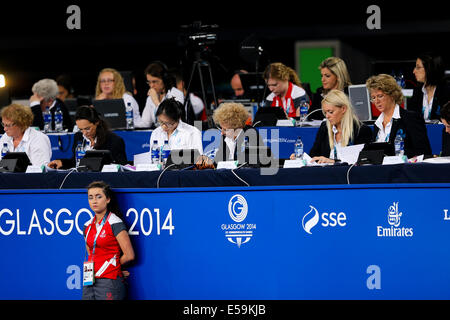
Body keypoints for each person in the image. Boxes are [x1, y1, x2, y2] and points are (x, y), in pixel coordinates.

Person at [82, 181, 135, 300]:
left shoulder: (115, 222)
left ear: (108, 199)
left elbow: (129, 255)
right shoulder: (87, 226)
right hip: (89, 280)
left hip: (109, 281)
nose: (94, 201)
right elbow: (92, 253)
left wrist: (114, 267)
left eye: (99, 196)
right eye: (90, 197)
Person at [292, 90, 372, 163]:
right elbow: (314, 155)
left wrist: (332, 161)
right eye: (325, 113)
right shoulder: (324, 127)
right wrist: (301, 158)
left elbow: (361, 161)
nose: (327, 116)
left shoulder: (361, 130)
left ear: (343, 109)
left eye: (330, 112)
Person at [366, 74, 432, 158]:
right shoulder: (377, 124)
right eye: (373, 98)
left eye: (380, 96)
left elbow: (424, 152)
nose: (377, 101)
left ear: (392, 95)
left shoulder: (410, 118)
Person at [47, 106, 127, 169]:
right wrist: (61, 162)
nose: (84, 133)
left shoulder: (114, 141)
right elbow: (76, 162)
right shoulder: (78, 137)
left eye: (87, 128)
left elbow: (122, 167)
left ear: (97, 122)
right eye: (81, 129)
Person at [139, 61, 184, 128]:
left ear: (164, 79)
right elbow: (145, 123)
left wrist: (156, 102)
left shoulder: (176, 94)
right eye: (149, 82)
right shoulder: (150, 98)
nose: (151, 86)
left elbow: (171, 120)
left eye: (154, 81)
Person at [409, 53, 450, 121]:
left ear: (430, 68)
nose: (414, 71)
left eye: (418, 67)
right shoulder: (417, 91)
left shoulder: (446, 91)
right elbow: (411, 118)